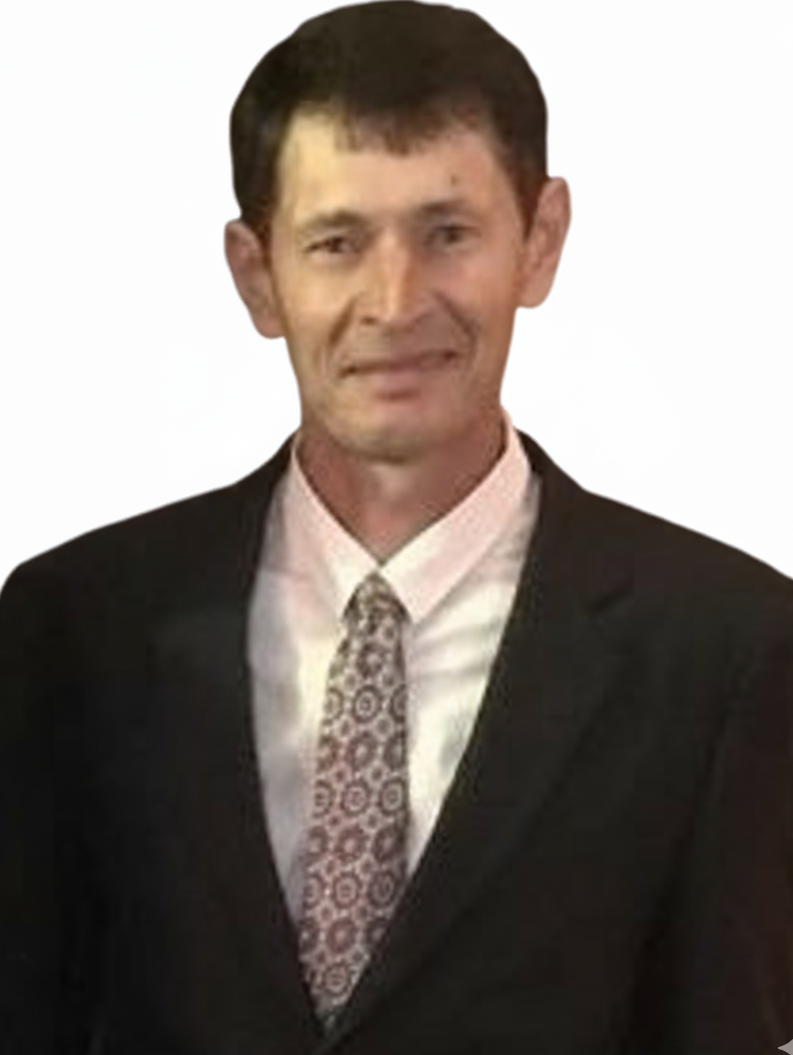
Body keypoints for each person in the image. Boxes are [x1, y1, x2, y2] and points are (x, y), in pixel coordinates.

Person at [1, 2, 792, 1052]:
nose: (395, 300)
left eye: (447, 234)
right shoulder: (74, 624)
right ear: (257, 274)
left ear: (540, 240)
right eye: (336, 242)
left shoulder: (726, 647)